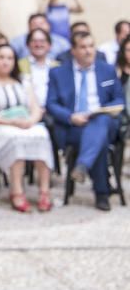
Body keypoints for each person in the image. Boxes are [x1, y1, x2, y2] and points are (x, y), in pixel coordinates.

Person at [46, 31, 125, 211]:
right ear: (73, 50)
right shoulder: (58, 73)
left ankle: (82, 165)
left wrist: (104, 110)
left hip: (104, 121)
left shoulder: (107, 69)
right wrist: (70, 116)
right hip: (73, 126)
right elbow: (51, 103)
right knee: (99, 139)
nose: (88, 51)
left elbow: (119, 99)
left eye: (91, 46)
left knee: (100, 123)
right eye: (83, 47)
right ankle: (101, 193)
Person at [0, 43, 54, 212]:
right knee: (16, 139)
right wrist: (12, 123)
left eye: (10, 58)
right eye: (1, 57)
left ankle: (44, 191)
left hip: (24, 122)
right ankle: (16, 191)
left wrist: (31, 121)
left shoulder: (23, 80)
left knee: (42, 134)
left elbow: (36, 108)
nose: (5, 62)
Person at [17, 27, 58, 108]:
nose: (38, 44)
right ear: (27, 45)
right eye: (34, 41)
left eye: (42, 41)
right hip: (27, 111)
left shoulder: (58, 66)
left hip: (54, 112)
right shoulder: (18, 66)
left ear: (49, 45)